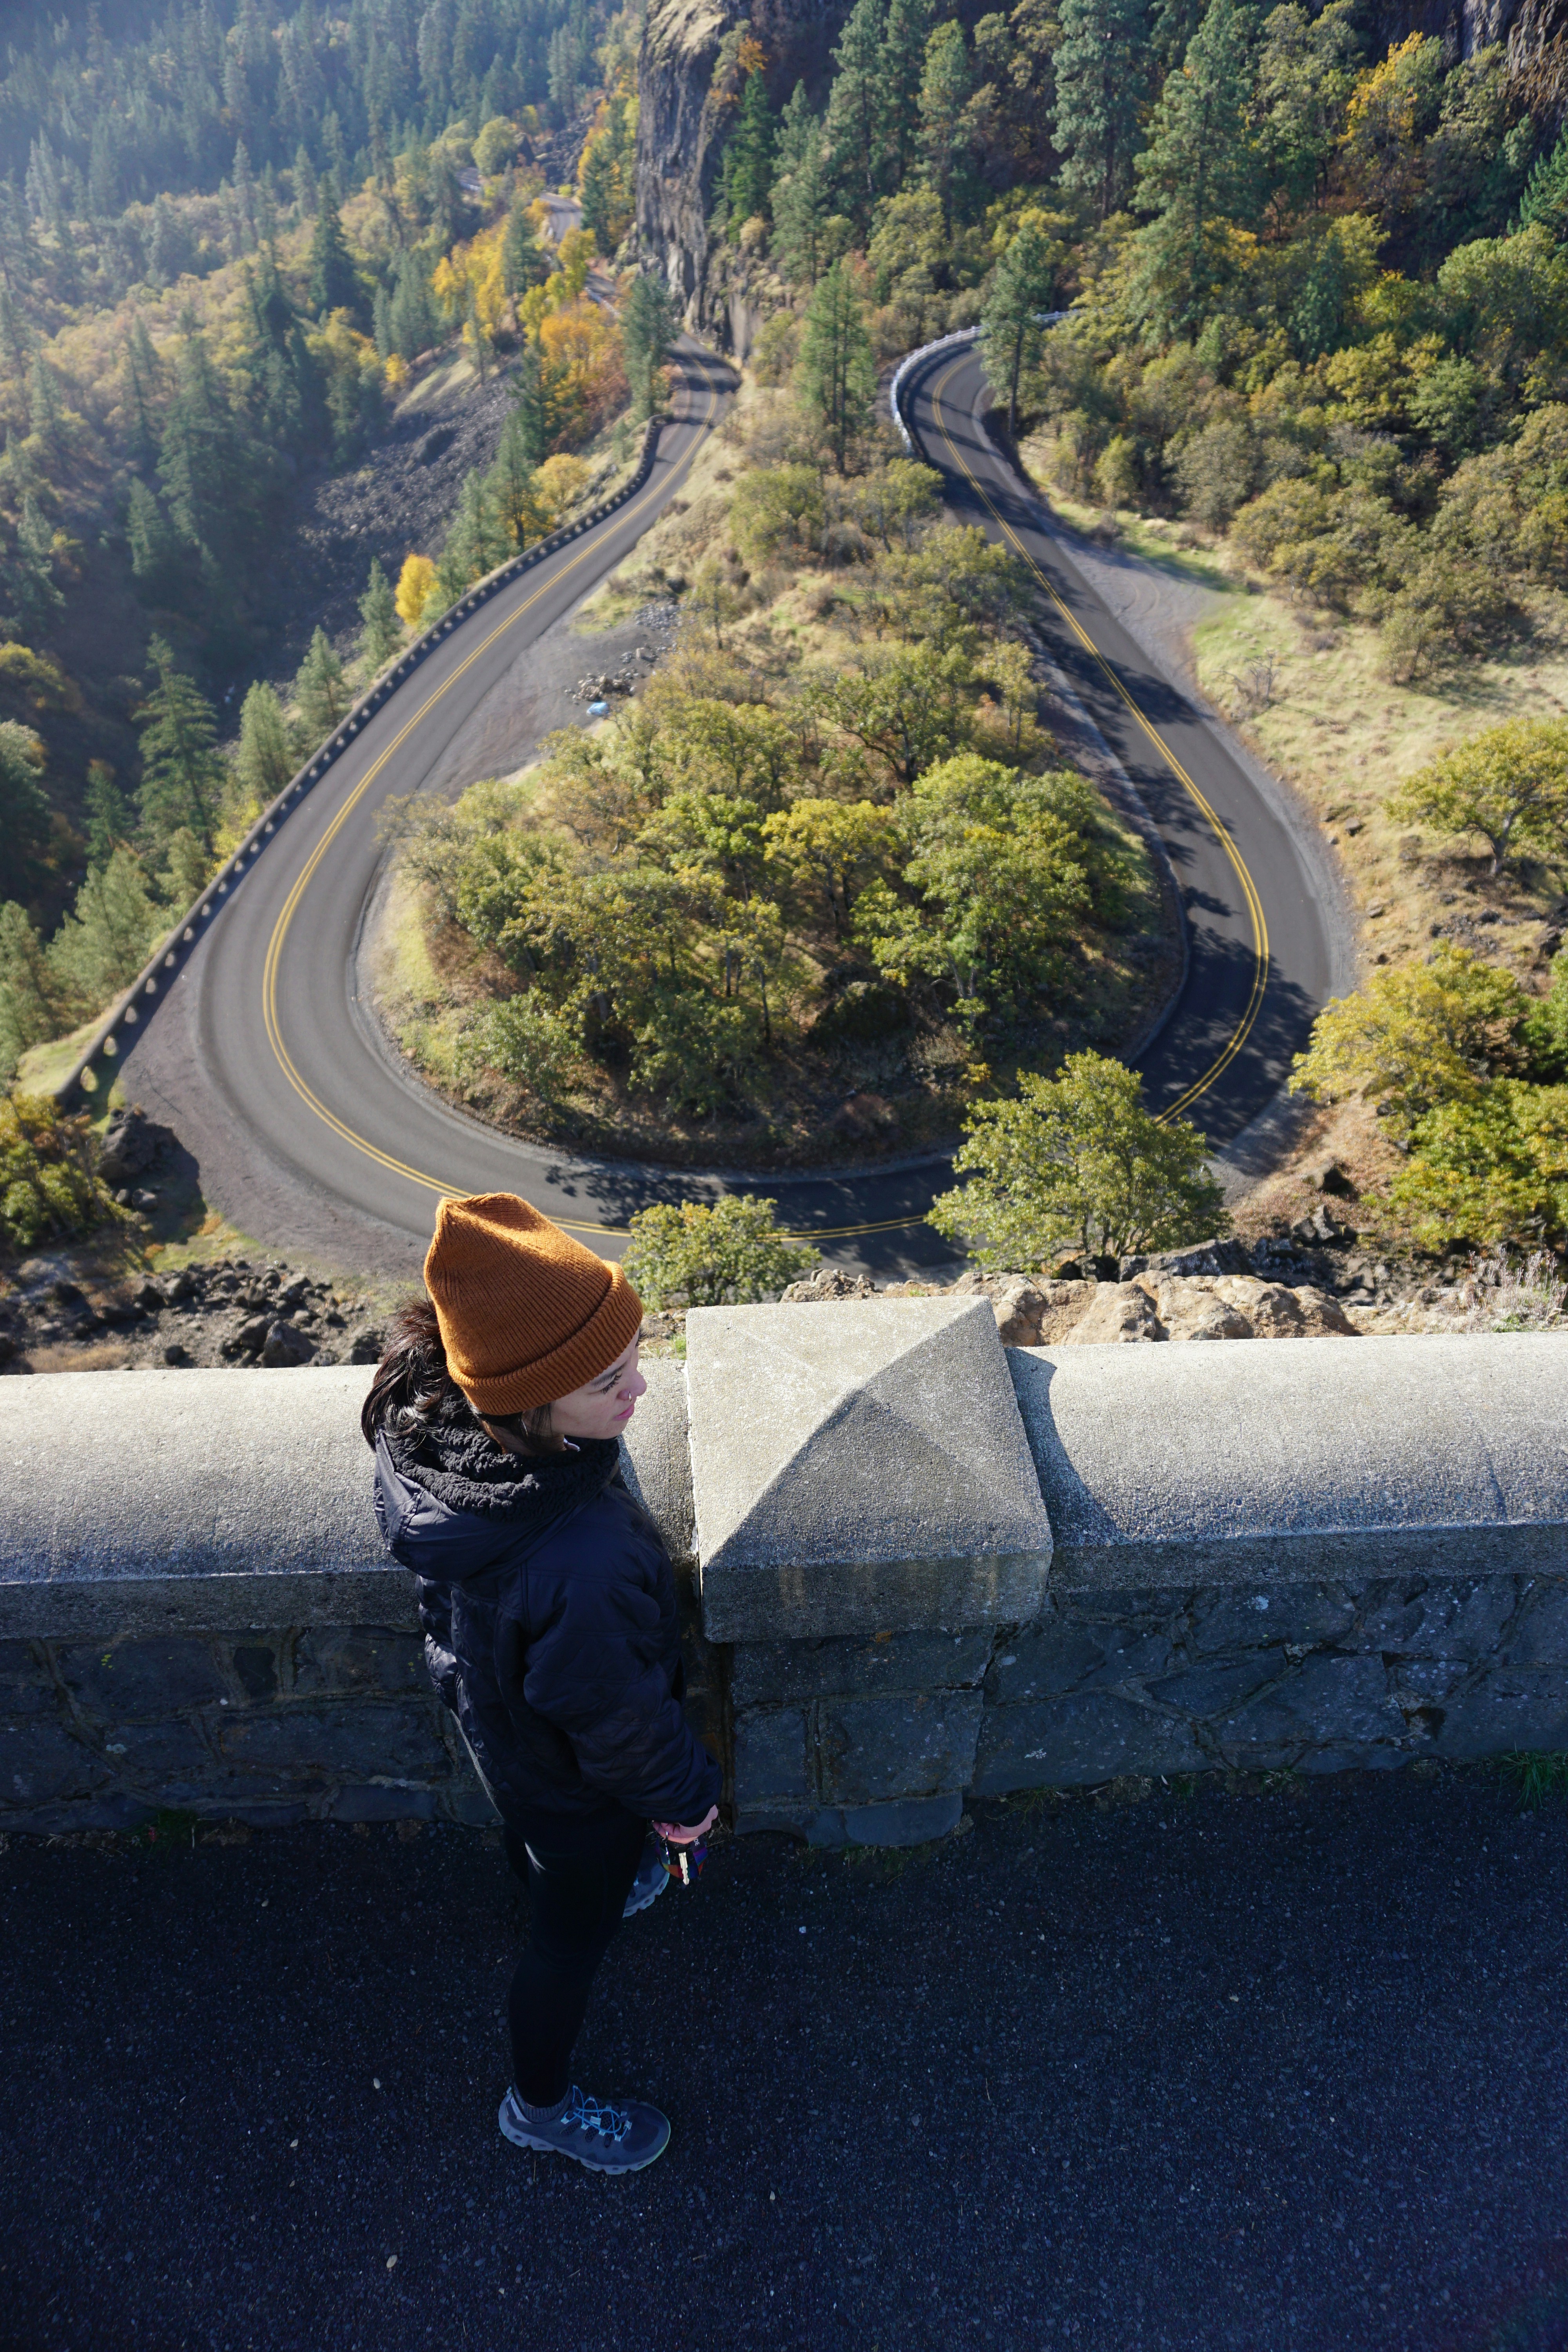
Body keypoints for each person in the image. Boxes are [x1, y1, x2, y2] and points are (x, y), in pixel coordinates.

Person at [363, 1192, 720, 2175]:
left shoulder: (442, 1431)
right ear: (531, 1395)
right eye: (611, 1379)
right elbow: (616, 1716)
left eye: (639, 1356)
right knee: (569, 1943)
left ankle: (560, 1881)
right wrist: (686, 1808)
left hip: (502, 1732)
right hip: (574, 1789)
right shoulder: (582, 1556)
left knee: (548, 1858)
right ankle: (541, 2105)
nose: (642, 1390)